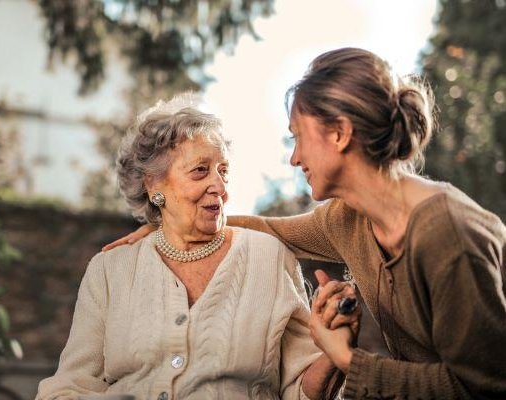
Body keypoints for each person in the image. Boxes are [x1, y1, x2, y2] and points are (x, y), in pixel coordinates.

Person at [104, 49, 506, 399]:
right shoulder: (348, 218)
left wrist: (347, 358)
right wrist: (173, 226)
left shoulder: (447, 234)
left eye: (298, 137)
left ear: (339, 133)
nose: (294, 158)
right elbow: (271, 229)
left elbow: (483, 386)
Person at [36, 94, 358, 400]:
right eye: (200, 171)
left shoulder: (269, 257)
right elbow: (71, 386)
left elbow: (302, 391)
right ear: (154, 185)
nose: (218, 186)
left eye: (224, 171)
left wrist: (334, 352)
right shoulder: (110, 269)